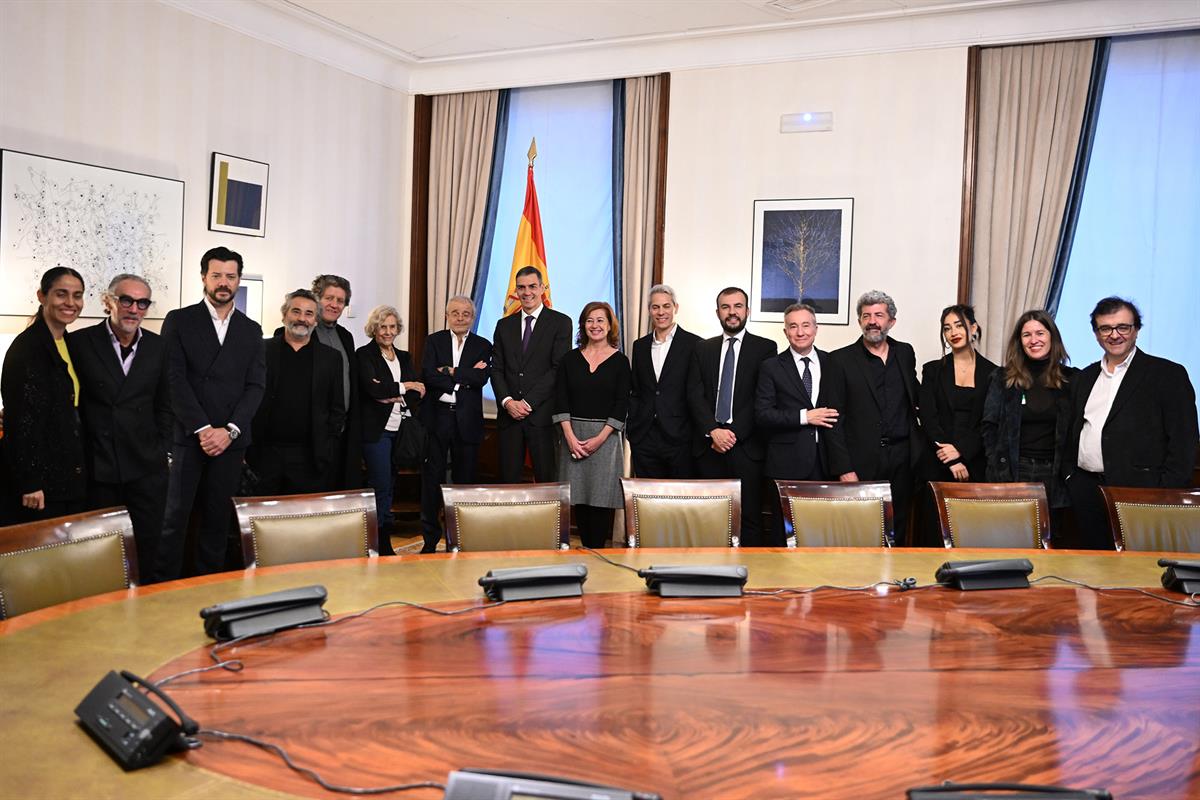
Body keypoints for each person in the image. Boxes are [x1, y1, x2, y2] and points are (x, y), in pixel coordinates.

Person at [155, 247, 266, 582]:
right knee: (174, 518)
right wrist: (203, 428)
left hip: (231, 441)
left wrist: (229, 430)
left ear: (238, 280)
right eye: (216, 275)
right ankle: (163, 589)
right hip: (190, 437)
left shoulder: (251, 329)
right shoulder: (180, 320)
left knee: (217, 519)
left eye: (230, 276)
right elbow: (173, 380)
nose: (223, 283)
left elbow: (256, 386)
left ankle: (209, 587)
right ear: (203, 277)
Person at [1063, 297, 1199, 549]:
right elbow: (1073, 430)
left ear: (1136, 329)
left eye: (1122, 327)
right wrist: (1071, 477)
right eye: (1106, 328)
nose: (1114, 335)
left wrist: (1165, 492)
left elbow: (1184, 441)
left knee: (1140, 567)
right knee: (1093, 564)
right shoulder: (1085, 377)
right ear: (1096, 334)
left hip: (1142, 494)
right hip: (1087, 491)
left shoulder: (1167, 374)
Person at [70, 274, 172, 573]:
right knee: (99, 555)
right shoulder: (80, 342)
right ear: (108, 301)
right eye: (126, 300)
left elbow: (166, 405)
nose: (134, 309)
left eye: (142, 303)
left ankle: (147, 602)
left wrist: (162, 450)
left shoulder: (159, 346)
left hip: (146, 468)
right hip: (99, 467)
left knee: (148, 549)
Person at [825, 290, 924, 545]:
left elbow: (915, 399)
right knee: (860, 531)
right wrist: (844, 469)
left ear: (891, 321)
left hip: (902, 459)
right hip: (861, 460)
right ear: (859, 321)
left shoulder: (905, 353)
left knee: (898, 529)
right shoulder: (839, 360)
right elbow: (833, 420)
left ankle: (894, 571)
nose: (872, 321)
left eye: (879, 315)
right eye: (866, 315)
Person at [687, 286, 778, 546]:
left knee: (749, 518)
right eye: (725, 307)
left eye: (738, 306)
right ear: (717, 312)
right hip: (709, 446)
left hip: (746, 447)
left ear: (747, 311)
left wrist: (732, 433)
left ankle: (753, 571)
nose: (732, 312)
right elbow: (694, 394)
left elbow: (761, 397)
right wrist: (713, 430)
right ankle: (711, 569)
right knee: (709, 518)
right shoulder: (702, 348)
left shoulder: (765, 348)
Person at [1, 266, 87, 521]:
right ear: (42, 296)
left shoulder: (69, 343)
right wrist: (30, 481)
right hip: (41, 484)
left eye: (77, 295)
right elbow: (21, 422)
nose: (70, 303)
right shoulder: (27, 348)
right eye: (61, 294)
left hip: (67, 473)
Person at [981, 310, 1077, 533]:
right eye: (1027, 335)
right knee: (1010, 537)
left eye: (1040, 333)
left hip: (1054, 476)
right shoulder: (1002, 378)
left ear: (1052, 337)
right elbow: (989, 426)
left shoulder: (1072, 380)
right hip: (1013, 472)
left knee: (1049, 539)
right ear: (1019, 341)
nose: (1034, 340)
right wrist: (997, 464)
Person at [755, 303, 840, 546]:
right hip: (786, 463)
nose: (800, 332)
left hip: (826, 462)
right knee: (784, 535)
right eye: (793, 326)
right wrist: (805, 417)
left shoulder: (833, 362)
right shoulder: (771, 366)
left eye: (805, 325)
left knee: (822, 531)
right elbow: (762, 415)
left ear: (816, 328)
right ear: (785, 332)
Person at [249, 290, 346, 495]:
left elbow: (336, 407)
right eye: (296, 311)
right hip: (265, 454)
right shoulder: (261, 350)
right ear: (284, 315)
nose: (302, 318)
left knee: (304, 514)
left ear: (316, 320)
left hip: (311, 456)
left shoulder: (331, 358)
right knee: (263, 512)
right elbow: (248, 396)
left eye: (309, 313)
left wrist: (328, 446)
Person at [915, 304, 997, 545]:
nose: (953, 332)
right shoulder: (932, 370)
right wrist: (950, 457)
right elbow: (928, 417)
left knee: (972, 536)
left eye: (959, 325)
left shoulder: (994, 373)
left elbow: (990, 422)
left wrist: (962, 452)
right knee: (933, 537)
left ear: (974, 328)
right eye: (947, 328)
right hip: (937, 461)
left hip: (975, 464)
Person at [553, 302, 631, 548]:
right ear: (583, 325)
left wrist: (600, 438)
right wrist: (570, 437)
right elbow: (560, 399)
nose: (594, 325)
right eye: (589, 320)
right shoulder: (569, 359)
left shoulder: (621, 362)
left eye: (600, 320)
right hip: (572, 437)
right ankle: (585, 554)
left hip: (606, 440)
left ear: (609, 326)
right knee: (579, 504)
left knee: (600, 504)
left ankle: (597, 555)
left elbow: (621, 404)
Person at [419, 295, 492, 553]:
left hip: (467, 421)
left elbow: (481, 378)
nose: (460, 318)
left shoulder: (483, 345)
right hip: (437, 418)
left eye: (465, 313)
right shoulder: (434, 341)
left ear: (472, 317)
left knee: (465, 482)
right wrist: (463, 378)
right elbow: (428, 376)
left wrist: (449, 371)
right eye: (455, 313)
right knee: (431, 481)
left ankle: (460, 540)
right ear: (446, 316)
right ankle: (430, 541)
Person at [490, 266, 572, 483]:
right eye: (521, 287)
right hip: (509, 418)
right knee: (508, 483)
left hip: (542, 417)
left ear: (543, 288)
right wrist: (508, 402)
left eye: (532, 286)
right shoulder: (503, 325)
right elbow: (496, 368)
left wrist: (527, 403)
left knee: (546, 482)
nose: (527, 292)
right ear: (516, 290)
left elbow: (557, 369)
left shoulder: (561, 322)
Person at [357, 305, 424, 556]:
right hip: (377, 432)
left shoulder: (404, 357)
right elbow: (373, 390)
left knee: (392, 484)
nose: (387, 331)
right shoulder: (364, 355)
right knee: (380, 485)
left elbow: (417, 394)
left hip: (401, 429)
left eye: (392, 327)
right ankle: (380, 543)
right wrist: (406, 386)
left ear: (398, 329)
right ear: (374, 329)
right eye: (382, 326)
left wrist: (392, 393)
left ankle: (383, 536)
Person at [627, 284, 701, 479]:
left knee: (680, 496)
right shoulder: (639, 346)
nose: (661, 312)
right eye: (656, 307)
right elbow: (636, 390)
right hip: (644, 436)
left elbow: (697, 392)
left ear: (675, 308)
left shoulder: (695, 344)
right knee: (646, 496)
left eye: (666, 306)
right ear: (649, 310)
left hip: (680, 438)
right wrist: (632, 428)